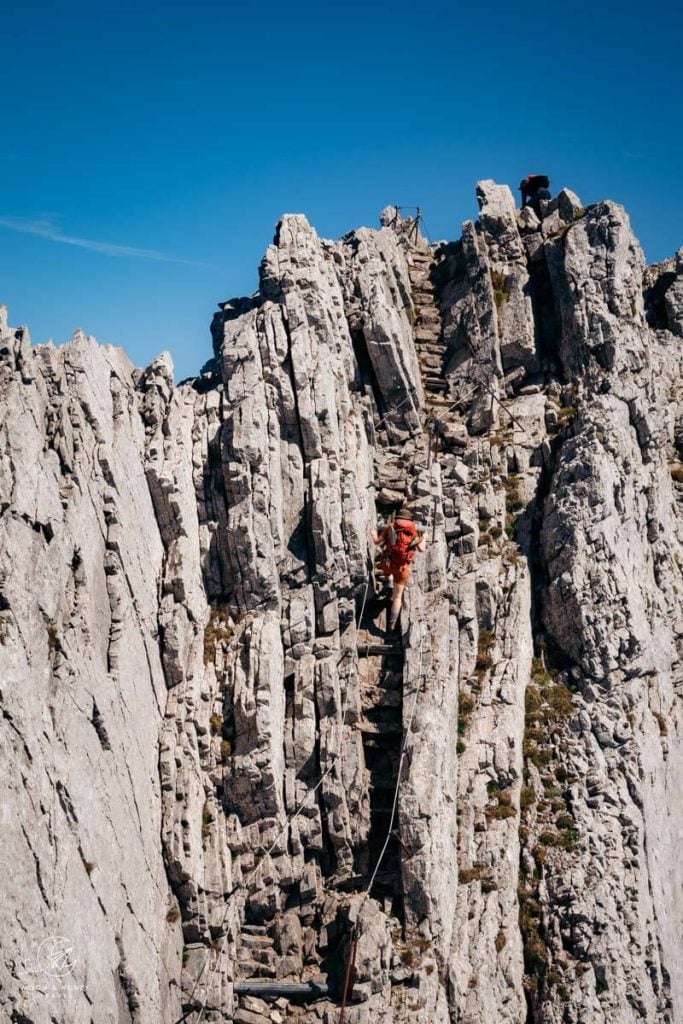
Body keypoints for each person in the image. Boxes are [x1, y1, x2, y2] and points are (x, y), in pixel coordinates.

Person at [370, 507, 426, 631]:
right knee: (397, 596)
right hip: (403, 568)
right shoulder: (413, 531)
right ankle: (391, 624)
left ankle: (388, 581)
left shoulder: (391, 527)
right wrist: (425, 537)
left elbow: (377, 542)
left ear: (398, 518)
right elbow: (421, 549)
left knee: (386, 569)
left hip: (388, 564)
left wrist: (374, 534)